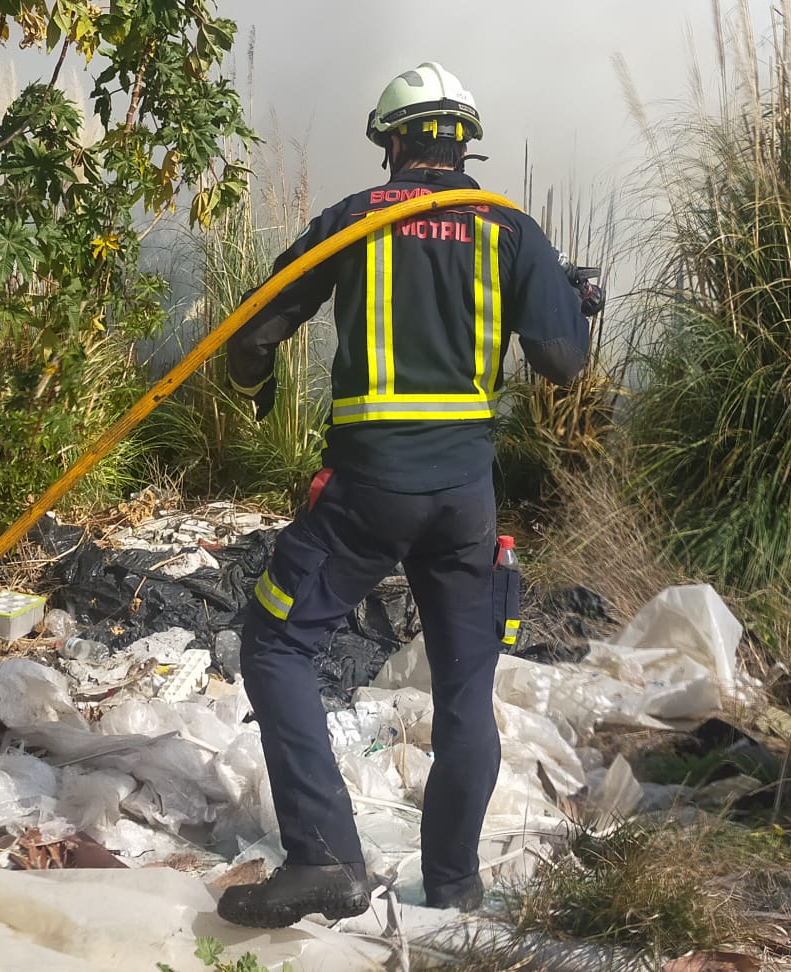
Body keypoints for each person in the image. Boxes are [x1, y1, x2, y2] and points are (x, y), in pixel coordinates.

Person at [216, 61, 604, 929]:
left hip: (366, 492)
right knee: (467, 688)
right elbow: (563, 364)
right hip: (467, 500)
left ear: (393, 142)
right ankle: (456, 888)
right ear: (463, 142)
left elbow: (254, 332)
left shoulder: (352, 222)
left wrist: (256, 380)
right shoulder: (511, 229)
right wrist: (574, 303)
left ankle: (324, 858)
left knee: (277, 644)